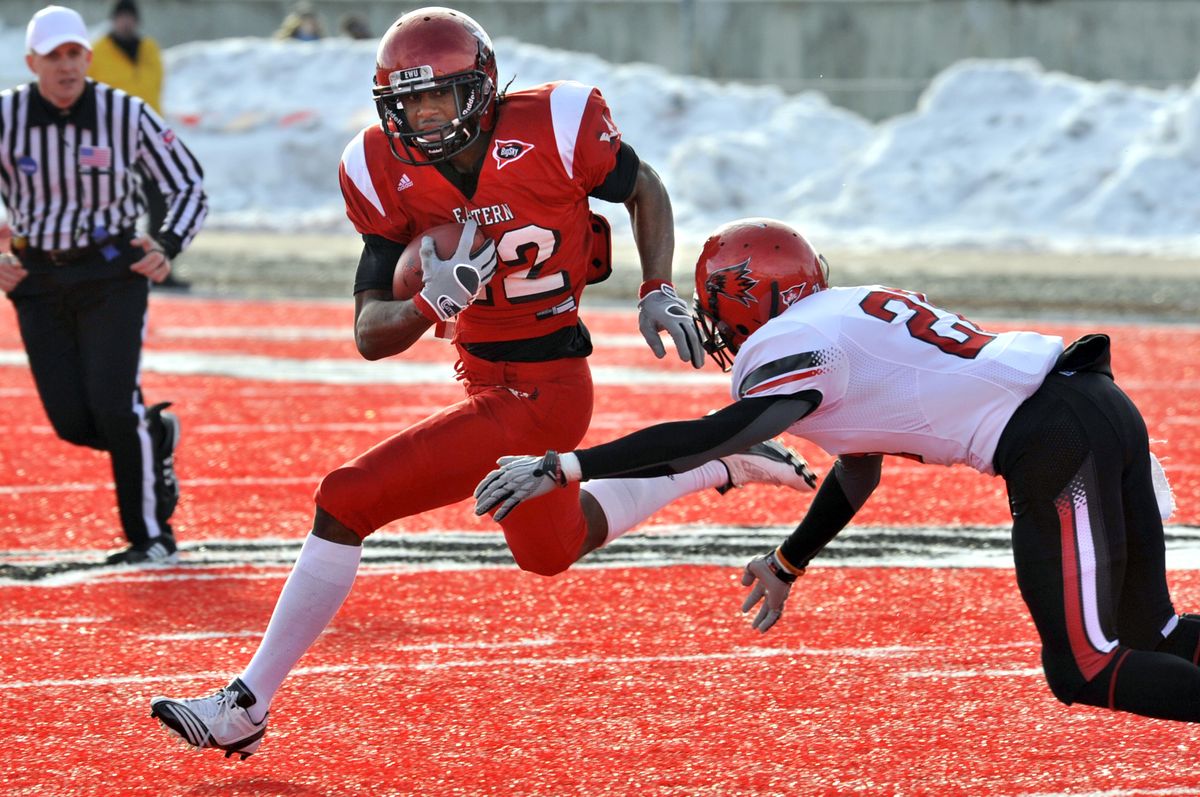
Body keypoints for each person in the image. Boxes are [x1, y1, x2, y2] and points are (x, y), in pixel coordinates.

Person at [147, 7, 813, 759]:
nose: (426, 115)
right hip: (486, 380)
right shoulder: (376, 166)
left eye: (441, 96)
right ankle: (714, 463)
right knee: (551, 548)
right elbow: (370, 335)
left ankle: (247, 702)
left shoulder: (559, 124)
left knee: (345, 497)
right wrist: (436, 300)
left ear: (485, 89)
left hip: (546, 389)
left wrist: (655, 284)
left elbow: (644, 185)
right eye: (411, 101)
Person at [469, 216, 1200, 725]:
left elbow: (718, 435)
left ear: (747, 303)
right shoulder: (845, 316)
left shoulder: (793, 342)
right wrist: (790, 560)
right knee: (1151, 628)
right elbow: (858, 470)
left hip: (1056, 441)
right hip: (1092, 404)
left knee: (1085, 666)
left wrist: (567, 465)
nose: (719, 331)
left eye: (720, 311)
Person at [0, 5, 207, 564]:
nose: (65, 67)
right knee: (72, 422)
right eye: (53, 57)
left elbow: (187, 184)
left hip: (111, 273)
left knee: (114, 407)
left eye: (74, 55)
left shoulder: (125, 113)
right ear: (31, 62)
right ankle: (155, 436)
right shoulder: (5, 117)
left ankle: (151, 538)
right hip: (37, 278)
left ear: (87, 59)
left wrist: (166, 244)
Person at [86, 0, 188, 290]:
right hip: (106, 141)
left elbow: (155, 92)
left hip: (146, 140)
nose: (126, 22)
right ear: (113, 20)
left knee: (160, 202)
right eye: (121, 17)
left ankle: (158, 265)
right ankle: (106, 264)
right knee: (104, 204)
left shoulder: (150, 50)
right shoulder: (97, 52)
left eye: (130, 17)